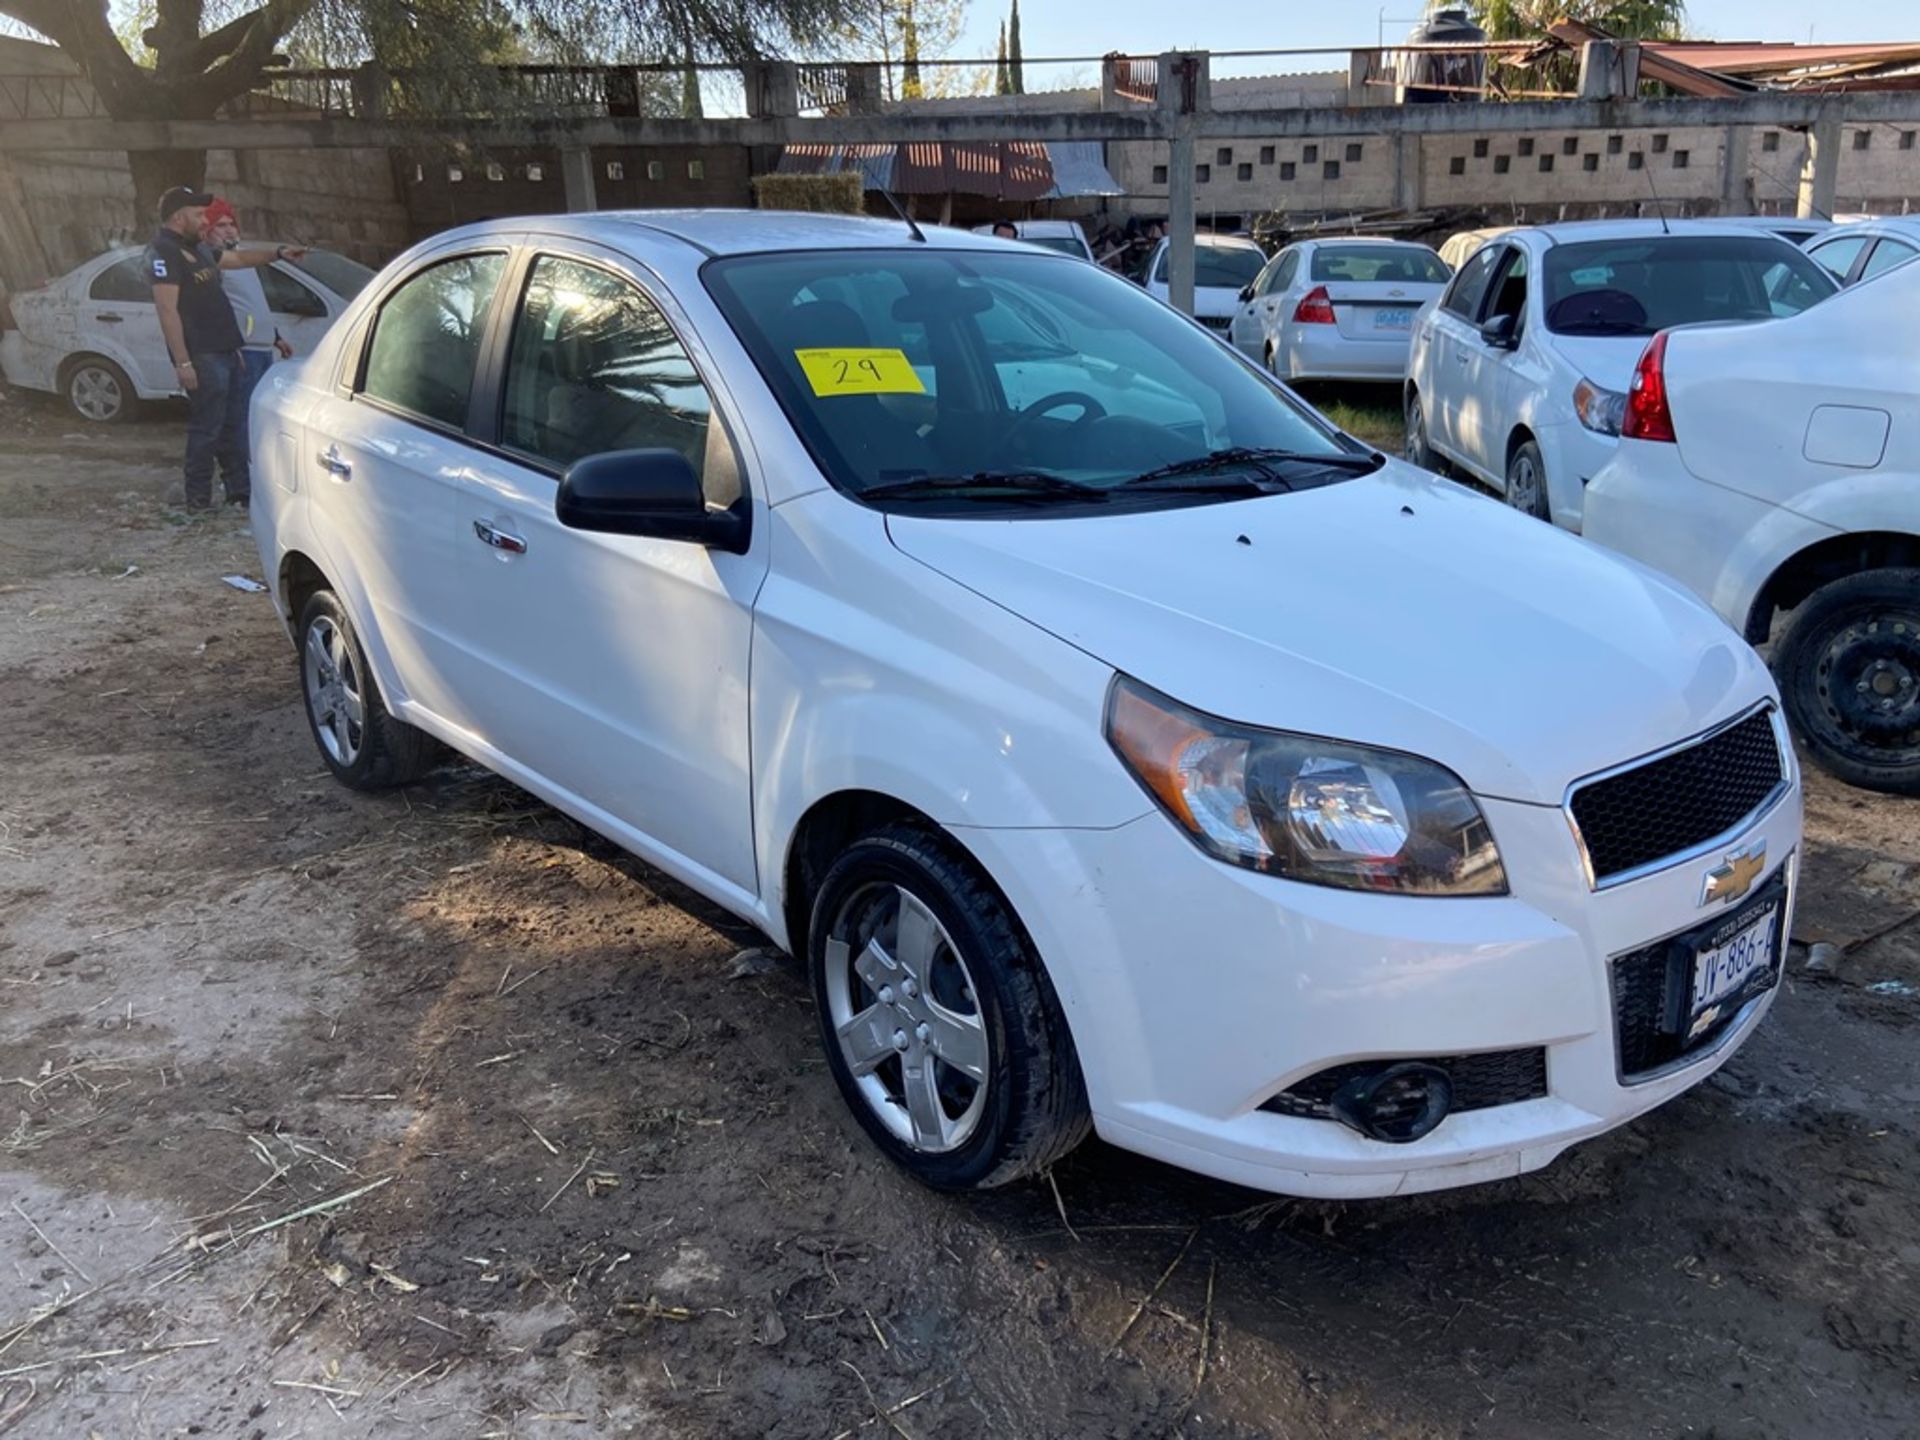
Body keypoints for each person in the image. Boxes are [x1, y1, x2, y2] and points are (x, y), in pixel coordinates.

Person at [146, 186, 305, 510]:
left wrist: (278, 252)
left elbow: (238, 258)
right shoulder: (163, 252)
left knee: (233, 425)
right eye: (198, 214)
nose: (204, 220)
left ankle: (240, 494)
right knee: (208, 428)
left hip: (226, 350)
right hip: (202, 354)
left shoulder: (199, 249)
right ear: (179, 217)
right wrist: (183, 363)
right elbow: (166, 309)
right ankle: (198, 501)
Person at [200, 198, 293, 465]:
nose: (229, 230)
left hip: (262, 349)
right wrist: (230, 346)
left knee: (262, 419)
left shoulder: (242, 258)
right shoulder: (213, 264)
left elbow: (251, 302)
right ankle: (241, 482)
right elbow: (217, 310)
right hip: (242, 351)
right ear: (207, 230)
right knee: (241, 420)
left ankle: (258, 472)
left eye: (231, 224)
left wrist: (275, 336)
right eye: (221, 225)